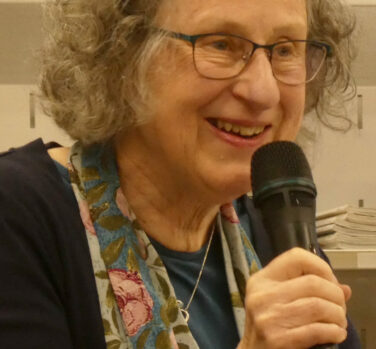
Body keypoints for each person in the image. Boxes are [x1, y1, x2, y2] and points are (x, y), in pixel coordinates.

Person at [0, 0, 362, 348]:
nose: (263, 92)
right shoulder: (18, 214)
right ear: (123, 56)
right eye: (220, 44)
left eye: (285, 50)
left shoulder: (275, 234)